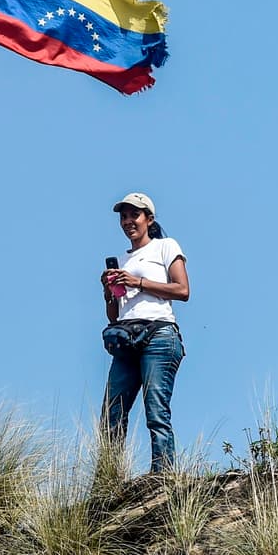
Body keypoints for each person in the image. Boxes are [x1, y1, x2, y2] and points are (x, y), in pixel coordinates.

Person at [100, 192, 190, 473]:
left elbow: (182, 290)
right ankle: (108, 479)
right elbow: (115, 315)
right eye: (123, 216)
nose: (128, 221)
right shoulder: (124, 262)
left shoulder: (165, 247)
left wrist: (138, 281)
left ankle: (162, 476)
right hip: (126, 337)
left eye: (134, 215)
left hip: (159, 334)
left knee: (156, 411)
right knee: (111, 413)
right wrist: (109, 292)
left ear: (149, 219)